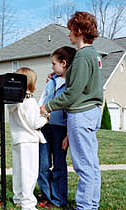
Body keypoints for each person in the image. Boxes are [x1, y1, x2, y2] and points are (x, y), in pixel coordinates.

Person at [40, 11, 103, 210]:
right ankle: (92, 204)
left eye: (70, 31)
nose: (69, 35)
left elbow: (74, 92)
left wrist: (47, 106)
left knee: (83, 166)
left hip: (81, 115)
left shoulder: (84, 56)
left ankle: (85, 206)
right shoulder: (92, 55)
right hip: (90, 112)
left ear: (78, 31)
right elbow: (81, 85)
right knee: (91, 165)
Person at [37, 46, 77, 208]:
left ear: (64, 63)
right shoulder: (51, 80)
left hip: (61, 130)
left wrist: (68, 134)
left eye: (54, 64)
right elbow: (43, 100)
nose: (51, 67)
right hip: (45, 128)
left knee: (59, 165)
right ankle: (47, 196)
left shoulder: (72, 85)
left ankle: (59, 199)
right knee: (43, 164)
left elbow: (72, 110)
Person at [7, 67, 49, 210]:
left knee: (18, 171)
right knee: (29, 173)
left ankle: (18, 197)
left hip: (17, 139)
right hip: (29, 141)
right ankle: (28, 203)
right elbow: (34, 123)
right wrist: (45, 117)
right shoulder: (30, 102)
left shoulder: (13, 102)